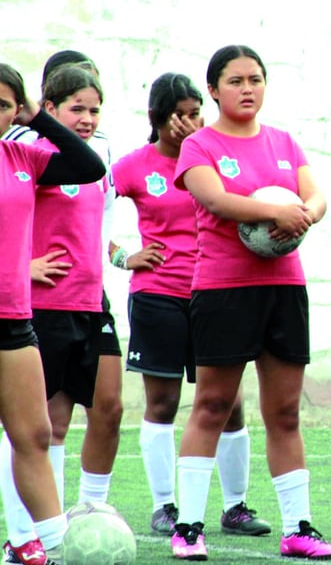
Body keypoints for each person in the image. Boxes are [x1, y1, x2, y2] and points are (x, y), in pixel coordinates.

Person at [171, 45, 331, 560]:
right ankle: (189, 528)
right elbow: (217, 201)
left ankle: (299, 530)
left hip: (284, 290)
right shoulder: (199, 145)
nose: (248, 88)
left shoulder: (284, 142)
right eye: (236, 80)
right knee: (213, 406)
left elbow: (317, 197)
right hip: (223, 291)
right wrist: (277, 209)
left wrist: (303, 214)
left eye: (256, 79)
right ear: (215, 89)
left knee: (285, 413)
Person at [109, 72, 270, 537]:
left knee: (231, 403)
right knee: (163, 402)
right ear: (156, 118)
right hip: (157, 295)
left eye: (195, 112)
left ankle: (236, 506)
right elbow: (91, 214)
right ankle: (165, 506)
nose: (187, 122)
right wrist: (125, 257)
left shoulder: (213, 155)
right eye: (178, 114)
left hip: (213, 293)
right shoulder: (135, 165)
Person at [1, 51, 124, 522]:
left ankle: (82, 515)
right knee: (37, 428)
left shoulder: (44, 153)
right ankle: (24, 534)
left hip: (91, 300)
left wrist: (117, 260)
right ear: (50, 107)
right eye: (77, 108)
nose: (88, 118)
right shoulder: (24, 150)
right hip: (38, 305)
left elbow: (89, 170)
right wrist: (21, 266)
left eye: (94, 109)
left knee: (101, 408)